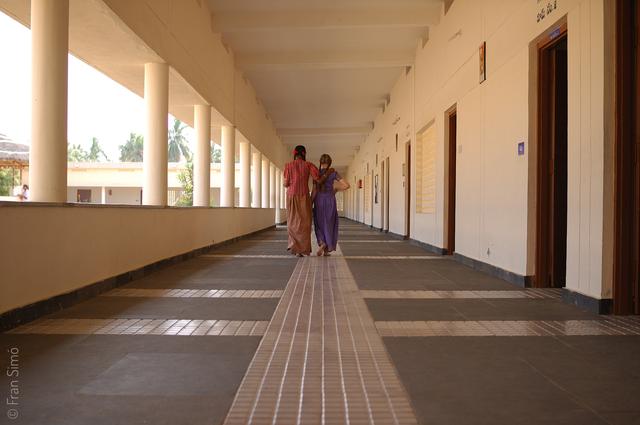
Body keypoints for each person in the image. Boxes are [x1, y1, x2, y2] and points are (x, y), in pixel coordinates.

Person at [283, 145, 323, 256]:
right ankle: (302, 249)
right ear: (304, 154)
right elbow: (317, 177)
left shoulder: (288, 166)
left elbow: (285, 184)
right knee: (305, 223)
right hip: (304, 196)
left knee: (292, 221)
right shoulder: (308, 165)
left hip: (291, 196)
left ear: (294, 154)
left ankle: (295, 247)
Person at [312, 154, 350, 256]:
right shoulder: (334, 173)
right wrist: (336, 188)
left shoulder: (316, 174)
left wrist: (310, 202)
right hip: (330, 200)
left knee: (319, 223)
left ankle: (322, 243)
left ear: (320, 162)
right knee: (329, 223)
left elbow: (314, 190)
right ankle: (327, 248)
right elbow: (347, 185)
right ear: (330, 163)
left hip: (319, 200)